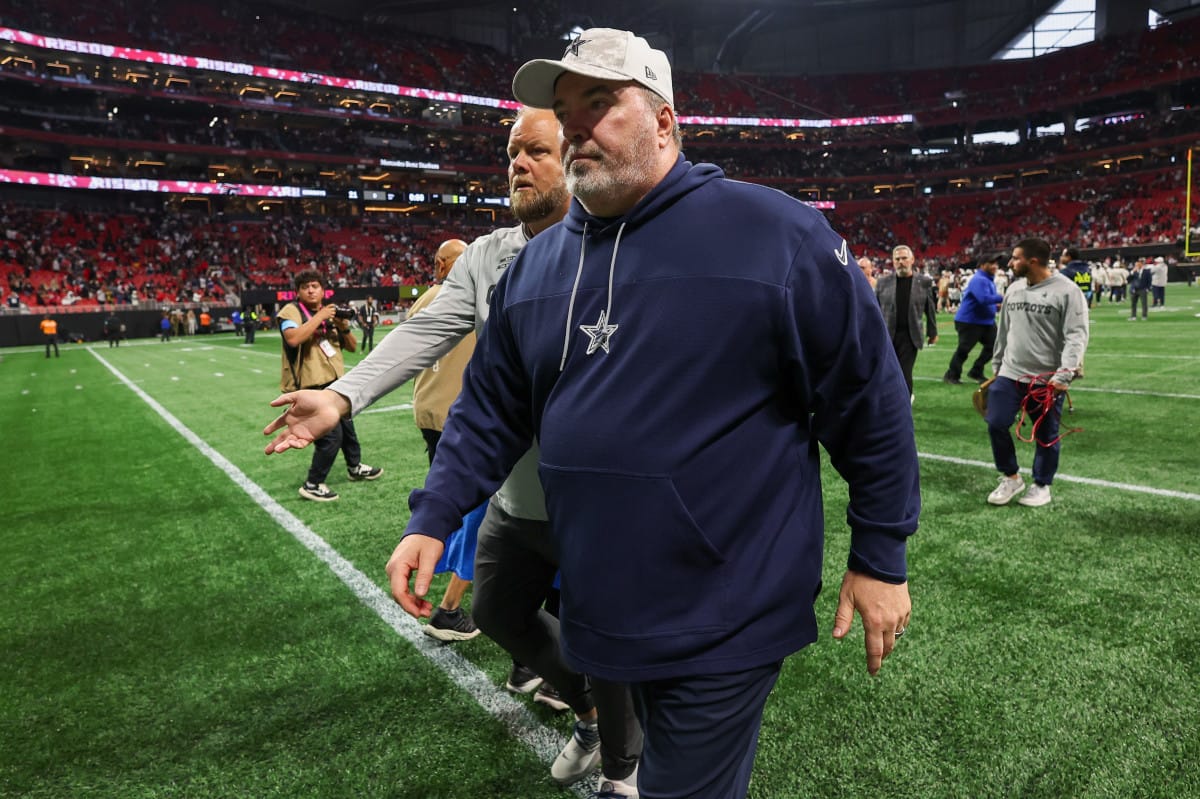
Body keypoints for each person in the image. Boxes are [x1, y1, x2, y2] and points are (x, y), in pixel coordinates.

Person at [385, 29, 916, 799]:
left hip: (726, 608)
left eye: (600, 103)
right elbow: (492, 405)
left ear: (665, 121)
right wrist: (433, 514)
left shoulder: (776, 236)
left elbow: (870, 399)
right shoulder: (537, 265)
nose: (575, 127)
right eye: (567, 111)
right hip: (602, 598)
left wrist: (881, 555)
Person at [262, 107, 642, 796]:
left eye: (535, 151)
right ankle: (587, 714)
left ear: (575, 158)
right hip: (514, 494)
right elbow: (426, 330)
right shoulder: (488, 256)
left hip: (592, 497)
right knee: (495, 610)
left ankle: (625, 769)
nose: (517, 164)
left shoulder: (616, 246)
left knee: (602, 635)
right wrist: (343, 395)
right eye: (510, 153)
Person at [408, 238, 481, 642]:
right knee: (479, 512)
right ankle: (449, 606)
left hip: (432, 412)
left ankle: (436, 546)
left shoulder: (427, 298)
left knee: (453, 499)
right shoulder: (467, 294)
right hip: (462, 416)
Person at [984, 238, 1089, 508]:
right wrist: (997, 367)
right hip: (1010, 373)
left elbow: (1076, 335)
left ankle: (1042, 485)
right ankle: (1011, 476)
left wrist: (1064, 375)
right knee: (996, 422)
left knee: (1046, 434)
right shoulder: (1014, 289)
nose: (1010, 263)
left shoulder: (1067, 291)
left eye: (1015, 258)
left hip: (1047, 378)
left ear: (1032, 261)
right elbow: (1003, 331)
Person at [277, 270, 382, 502]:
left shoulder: (331, 314)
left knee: (348, 430)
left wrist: (341, 325)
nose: (311, 290)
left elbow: (353, 347)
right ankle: (313, 483)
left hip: (336, 383)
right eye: (305, 287)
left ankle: (355, 467)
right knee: (330, 437)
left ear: (323, 290)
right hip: (310, 386)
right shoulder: (291, 311)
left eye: (315, 286)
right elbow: (293, 338)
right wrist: (321, 317)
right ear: (298, 292)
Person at [875, 244, 938, 400]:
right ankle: (889, 400)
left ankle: (904, 402)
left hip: (910, 336)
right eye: (897, 259)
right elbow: (875, 309)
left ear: (912, 260)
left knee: (904, 371)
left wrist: (932, 332)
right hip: (888, 335)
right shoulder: (883, 282)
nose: (901, 262)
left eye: (904, 258)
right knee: (887, 371)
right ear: (893, 261)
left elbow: (930, 310)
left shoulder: (924, 282)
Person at [943, 253, 1003, 385]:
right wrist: (1004, 297)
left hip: (984, 321)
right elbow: (983, 299)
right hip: (970, 321)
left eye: (996, 264)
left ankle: (976, 370)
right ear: (982, 265)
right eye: (991, 263)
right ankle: (951, 374)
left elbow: (986, 300)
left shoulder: (987, 279)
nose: (995, 266)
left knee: (994, 346)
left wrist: (996, 306)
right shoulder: (979, 279)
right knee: (964, 349)